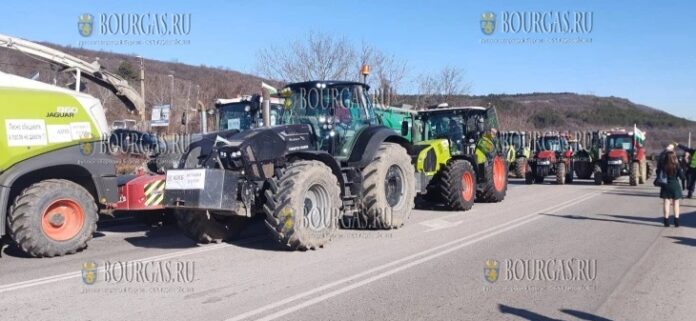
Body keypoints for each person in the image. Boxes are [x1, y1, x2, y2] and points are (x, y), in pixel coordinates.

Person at [658, 150, 686, 227]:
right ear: (674, 157)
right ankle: (676, 221)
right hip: (675, 185)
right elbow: (682, 177)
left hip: (665, 185)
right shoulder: (677, 165)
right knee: (676, 204)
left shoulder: (663, 165)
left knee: (666, 203)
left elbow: (658, 172)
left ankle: (666, 221)